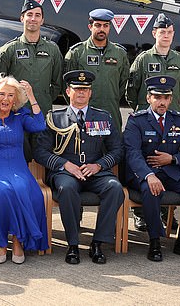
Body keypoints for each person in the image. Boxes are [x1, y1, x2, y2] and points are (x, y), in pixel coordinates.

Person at [34, 70, 124, 265]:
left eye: (85, 89)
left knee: (115, 188)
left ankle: (98, 243)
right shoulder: (54, 118)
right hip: (66, 173)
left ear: (90, 93)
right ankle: (73, 245)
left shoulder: (103, 117)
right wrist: (65, 164)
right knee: (67, 189)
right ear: (68, 91)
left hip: (95, 172)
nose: (81, 93)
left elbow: (117, 150)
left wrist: (99, 165)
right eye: (77, 89)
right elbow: (40, 152)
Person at [123, 76, 180, 262]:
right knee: (151, 191)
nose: (162, 102)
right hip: (144, 173)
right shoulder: (137, 121)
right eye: (157, 97)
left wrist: (174, 158)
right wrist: (149, 175)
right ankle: (154, 241)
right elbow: (132, 153)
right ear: (148, 98)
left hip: (172, 170)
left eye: (166, 98)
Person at [0, 75, 48, 263]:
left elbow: (40, 125)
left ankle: (18, 240)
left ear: (16, 100)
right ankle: (2, 242)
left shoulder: (20, 117)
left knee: (25, 191)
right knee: (2, 192)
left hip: (18, 170)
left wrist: (32, 96)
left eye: (10, 95)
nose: (5, 99)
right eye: (2, 94)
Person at [125, 13, 180, 231]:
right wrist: (142, 112)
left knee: (169, 166)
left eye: (170, 32)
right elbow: (131, 91)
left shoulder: (179, 60)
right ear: (154, 33)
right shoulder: (143, 59)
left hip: (171, 122)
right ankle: (141, 212)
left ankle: (165, 211)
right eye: (162, 32)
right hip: (146, 123)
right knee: (143, 166)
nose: (166, 36)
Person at [64, 9, 130, 132]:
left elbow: (122, 83)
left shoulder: (119, 53)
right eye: (98, 25)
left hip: (110, 112)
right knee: (85, 147)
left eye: (106, 26)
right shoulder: (77, 53)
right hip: (84, 113)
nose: (102, 29)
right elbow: (67, 86)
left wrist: (110, 97)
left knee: (112, 148)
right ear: (90, 26)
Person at [0, 0, 62, 116]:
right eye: (29, 14)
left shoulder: (52, 50)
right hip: (17, 114)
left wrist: (43, 98)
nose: (33, 19)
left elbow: (57, 84)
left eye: (37, 15)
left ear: (42, 20)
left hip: (43, 112)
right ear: (22, 18)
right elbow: (0, 84)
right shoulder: (9, 50)